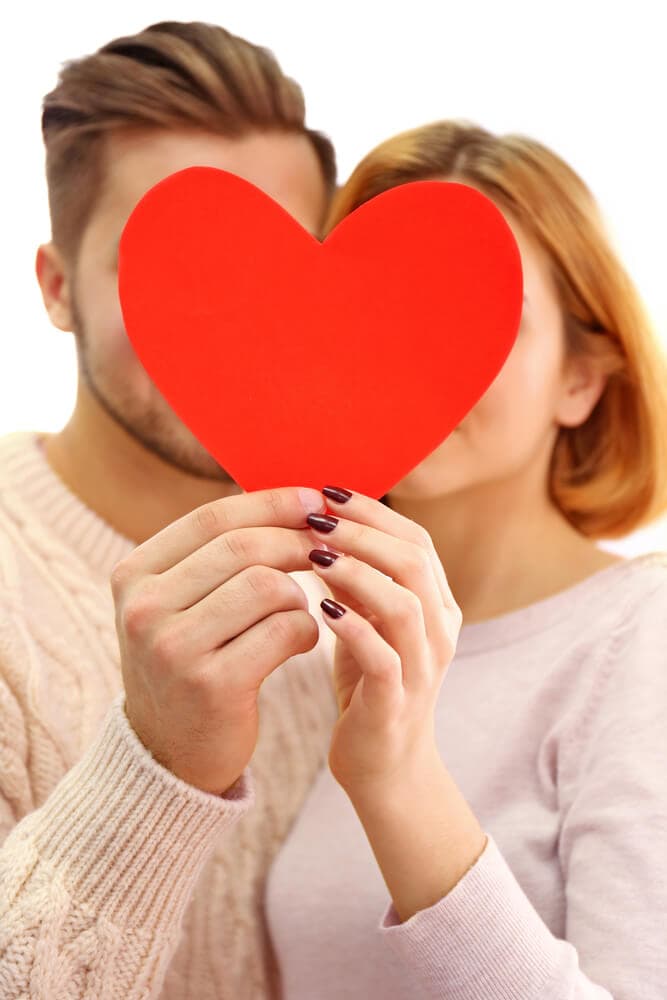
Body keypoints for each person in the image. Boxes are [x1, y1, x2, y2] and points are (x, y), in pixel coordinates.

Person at [265, 123, 667, 999]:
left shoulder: (640, 643)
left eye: (477, 319)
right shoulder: (307, 645)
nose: (416, 356)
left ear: (580, 380)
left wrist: (399, 781)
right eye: (377, 312)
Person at [0, 21, 339, 999]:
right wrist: (157, 763)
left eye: (276, 266)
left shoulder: (382, 567)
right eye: (170, 267)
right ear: (59, 290)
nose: (233, 324)